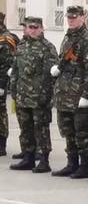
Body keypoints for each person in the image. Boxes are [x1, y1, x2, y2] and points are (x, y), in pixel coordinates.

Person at [50, 6, 88, 179]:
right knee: (68, 131)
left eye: (74, 17)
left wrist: (86, 96)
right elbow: (63, 62)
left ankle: (84, 165)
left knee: (82, 132)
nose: (70, 20)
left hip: (79, 95)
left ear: (83, 18)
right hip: (65, 94)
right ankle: (71, 163)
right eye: (69, 17)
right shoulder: (67, 38)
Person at [8, 17, 56, 173]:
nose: (32, 30)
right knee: (25, 128)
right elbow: (15, 70)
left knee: (41, 129)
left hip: (39, 97)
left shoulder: (47, 47)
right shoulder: (21, 46)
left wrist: (45, 96)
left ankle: (43, 159)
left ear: (42, 28)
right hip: (22, 95)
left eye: (35, 27)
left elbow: (49, 75)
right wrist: (13, 90)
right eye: (30, 27)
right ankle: (28, 157)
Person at [0, 12, 18, 157]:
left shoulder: (5, 40)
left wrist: (2, 86)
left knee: (0, 113)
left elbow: (6, 66)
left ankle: (1, 144)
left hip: (0, 81)